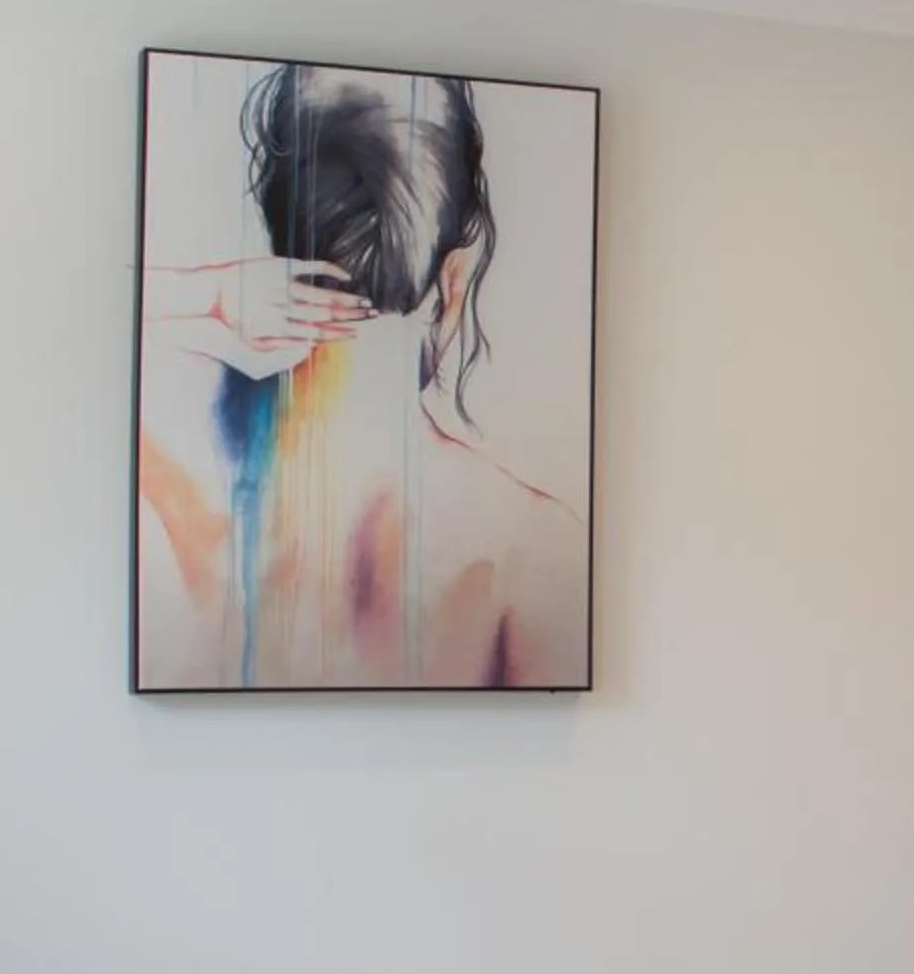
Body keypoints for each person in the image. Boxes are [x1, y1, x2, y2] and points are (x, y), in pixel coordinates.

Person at [136, 64, 585, 688]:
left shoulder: (165, 469)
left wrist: (203, 294)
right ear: (455, 273)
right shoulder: (531, 548)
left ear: (276, 235)